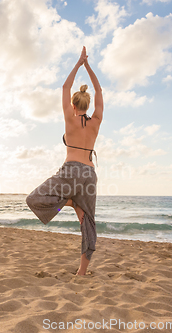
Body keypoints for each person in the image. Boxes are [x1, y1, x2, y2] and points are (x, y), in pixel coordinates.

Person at [26, 46, 103, 275]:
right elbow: (98, 90)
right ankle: (81, 272)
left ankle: (68, 203)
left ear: (73, 105)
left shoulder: (69, 118)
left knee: (35, 199)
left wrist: (78, 63)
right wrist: (88, 66)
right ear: (88, 105)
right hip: (89, 174)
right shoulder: (96, 121)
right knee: (88, 222)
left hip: (70, 172)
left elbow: (65, 86)